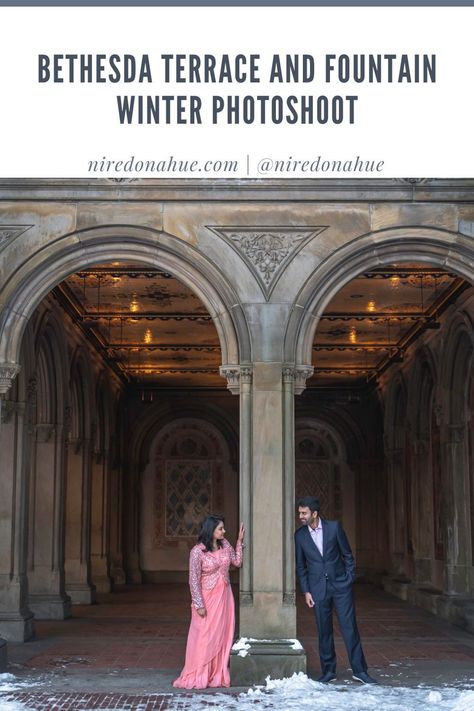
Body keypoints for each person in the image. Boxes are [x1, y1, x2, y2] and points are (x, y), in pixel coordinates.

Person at [294, 496, 377, 685]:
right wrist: (306, 591)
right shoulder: (299, 535)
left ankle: (360, 671)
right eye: (299, 513)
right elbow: (301, 566)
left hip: (341, 587)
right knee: (324, 632)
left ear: (314, 513)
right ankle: (329, 671)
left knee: (350, 628)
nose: (301, 516)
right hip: (317, 590)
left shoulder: (334, 528)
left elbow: (347, 555)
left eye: (304, 513)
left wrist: (348, 579)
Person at [173, 514, 244, 689]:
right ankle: (200, 673)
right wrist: (199, 604)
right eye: (220, 528)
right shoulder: (197, 552)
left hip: (225, 596)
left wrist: (239, 542)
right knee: (205, 636)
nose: (224, 531)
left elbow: (237, 562)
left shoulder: (225, 544)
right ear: (210, 530)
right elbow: (193, 580)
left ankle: (217, 673)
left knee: (223, 633)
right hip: (207, 598)